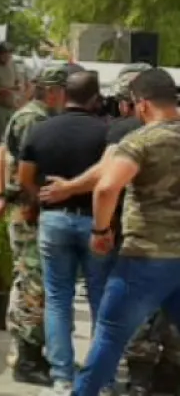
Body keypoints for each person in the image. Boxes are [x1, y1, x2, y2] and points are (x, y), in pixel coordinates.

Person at [71, 69, 180, 395]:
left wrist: (100, 230)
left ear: (142, 105)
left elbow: (106, 188)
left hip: (145, 258)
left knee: (110, 333)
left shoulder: (141, 141)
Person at [16, 69, 110, 391]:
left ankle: (61, 376)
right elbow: (109, 178)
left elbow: (24, 176)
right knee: (100, 298)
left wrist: (38, 198)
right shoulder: (105, 133)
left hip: (53, 220)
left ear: (63, 94)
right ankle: (102, 377)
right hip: (94, 222)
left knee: (57, 298)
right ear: (96, 99)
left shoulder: (40, 131)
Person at [0, 64, 70, 387]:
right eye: (66, 92)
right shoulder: (33, 119)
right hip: (28, 211)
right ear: (53, 91)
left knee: (30, 280)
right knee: (32, 283)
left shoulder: (35, 116)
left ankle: (30, 352)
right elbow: (26, 172)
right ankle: (27, 357)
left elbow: (0, 153)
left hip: (26, 208)